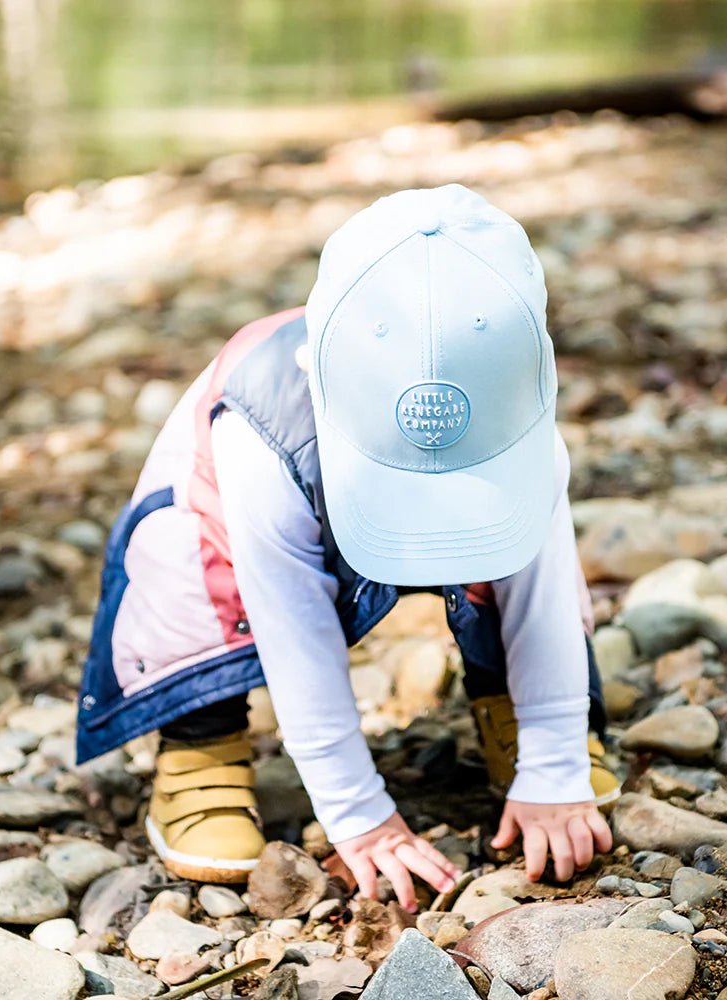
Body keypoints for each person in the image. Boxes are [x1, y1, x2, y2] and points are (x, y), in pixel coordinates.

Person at [75, 183, 619, 909]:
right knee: (189, 579)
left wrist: (554, 759)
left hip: (382, 471)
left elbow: (544, 588)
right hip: (228, 523)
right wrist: (360, 818)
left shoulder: (522, 432)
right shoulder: (258, 441)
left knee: (500, 548)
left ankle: (511, 707)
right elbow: (292, 630)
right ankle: (199, 736)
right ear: (315, 371)